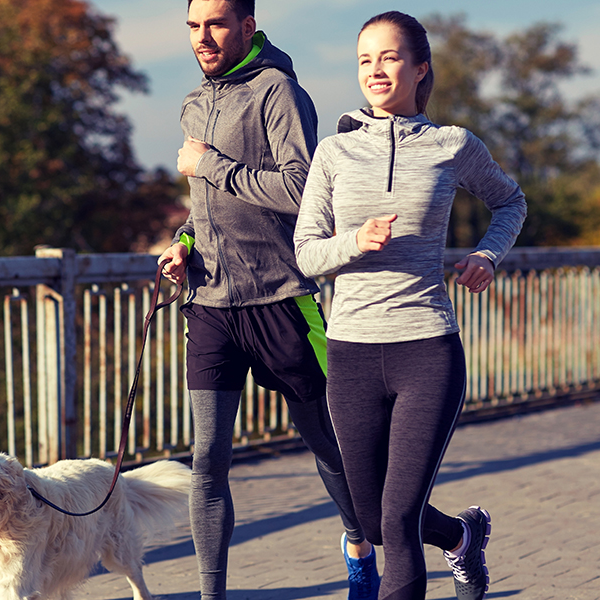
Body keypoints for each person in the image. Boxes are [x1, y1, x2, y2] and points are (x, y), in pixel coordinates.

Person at [293, 10, 528, 600]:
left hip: (425, 346)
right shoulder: (334, 153)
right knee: (372, 520)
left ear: (420, 69)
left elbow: (511, 202)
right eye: (364, 59)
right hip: (349, 352)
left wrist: (488, 256)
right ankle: (461, 535)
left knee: (397, 520)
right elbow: (305, 254)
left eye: (389, 56)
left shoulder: (453, 145)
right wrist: (357, 241)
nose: (375, 69)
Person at [160, 1, 379, 598]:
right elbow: (204, 205)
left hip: (282, 299)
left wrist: (211, 164)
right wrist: (183, 241)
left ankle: (359, 541)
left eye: (215, 24)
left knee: (328, 444)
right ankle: (212, 594)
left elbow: (302, 188)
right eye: (193, 26)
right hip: (210, 304)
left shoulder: (278, 91)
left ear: (248, 27)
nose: (201, 37)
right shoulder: (194, 102)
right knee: (208, 459)